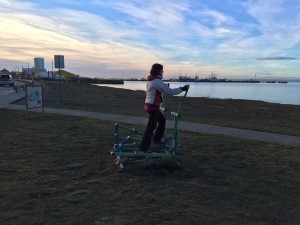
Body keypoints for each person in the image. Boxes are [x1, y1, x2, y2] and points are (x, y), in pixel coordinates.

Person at [139, 63, 189, 152]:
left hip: (149, 105)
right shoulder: (157, 82)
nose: (163, 71)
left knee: (161, 120)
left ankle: (156, 138)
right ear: (158, 71)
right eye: (162, 70)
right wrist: (182, 88)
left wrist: (164, 88)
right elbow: (169, 92)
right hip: (153, 106)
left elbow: (160, 91)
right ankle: (144, 147)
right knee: (151, 127)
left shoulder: (150, 80)